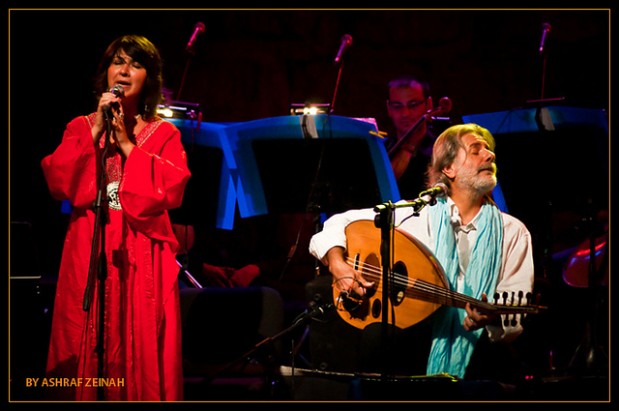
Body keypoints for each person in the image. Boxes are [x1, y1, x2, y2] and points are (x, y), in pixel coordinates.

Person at [309, 123, 534, 380]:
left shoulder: (512, 232)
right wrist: (339, 267)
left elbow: (513, 320)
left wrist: (491, 319)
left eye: (489, 150)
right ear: (448, 169)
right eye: (475, 150)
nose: (489, 155)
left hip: (477, 345)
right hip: (413, 338)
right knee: (377, 340)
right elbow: (334, 226)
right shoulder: (412, 215)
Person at [41, 35, 191, 401]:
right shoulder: (80, 127)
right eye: (117, 62)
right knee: (86, 332)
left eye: (135, 64)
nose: (123, 71)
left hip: (141, 253)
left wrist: (126, 144)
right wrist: (95, 131)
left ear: (149, 79)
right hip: (89, 247)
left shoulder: (164, 133)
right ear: (105, 74)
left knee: (139, 338)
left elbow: (172, 188)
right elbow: (59, 181)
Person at [383, 75, 436, 201]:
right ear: (388, 108)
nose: (405, 113)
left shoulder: (441, 151)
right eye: (397, 106)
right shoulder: (380, 151)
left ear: (428, 105)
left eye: (413, 105)